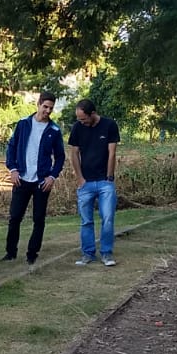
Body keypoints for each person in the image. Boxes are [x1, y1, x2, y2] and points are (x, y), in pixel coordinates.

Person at [2, 92, 65, 265]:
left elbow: (60, 157)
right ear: (38, 104)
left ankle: (32, 254)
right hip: (21, 179)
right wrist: (13, 169)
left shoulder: (54, 130)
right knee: (15, 217)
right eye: (45, 107)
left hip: (41, 182)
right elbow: (12, 147)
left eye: (51, 108)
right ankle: (10, 252)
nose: (47, 111)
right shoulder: (23, 124)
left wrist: (52, 176)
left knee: (39, 219)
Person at [67, 98, 120, 266]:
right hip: (86, 183)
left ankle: (106, 253)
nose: (81, 122)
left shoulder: (109, 125)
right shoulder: (77, 128)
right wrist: (80, 178)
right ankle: (88, 254)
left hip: (105, 182)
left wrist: (109, 176)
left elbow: (112, 153)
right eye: (79, 119)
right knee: (86, 220)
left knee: (108, 218)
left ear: (93, 114)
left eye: (84, 119)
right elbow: (74, 153)